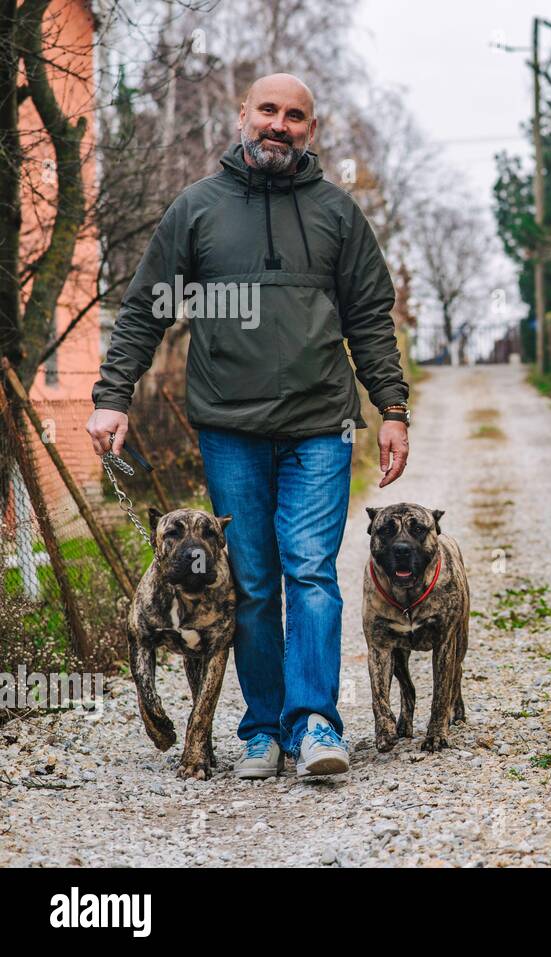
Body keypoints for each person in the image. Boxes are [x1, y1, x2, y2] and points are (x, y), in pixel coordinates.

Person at [86, 73, 411, 779]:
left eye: (295, 115)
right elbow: (145, 308)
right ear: (242, 116)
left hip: (320, 425)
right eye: (268, 110)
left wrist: (392, 409)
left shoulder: (336, 213)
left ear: (311, 130)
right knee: (257, 581)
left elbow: (370, 321)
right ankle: (263, 728)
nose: (279, 124)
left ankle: (317, 721)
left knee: (311, 572)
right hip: (228, 428)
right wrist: (113, 395)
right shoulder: (197, 209)